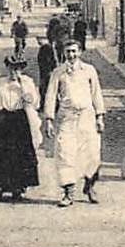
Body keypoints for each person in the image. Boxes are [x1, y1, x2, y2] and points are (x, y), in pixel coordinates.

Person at [43, 41, 105, 207]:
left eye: (74, 51)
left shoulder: (89, 71)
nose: (71, 55)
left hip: (87, 116)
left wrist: (100, 116)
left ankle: (90, 187)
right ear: (63, 53)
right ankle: (68, 193)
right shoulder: (58, 73)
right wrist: (49, 120)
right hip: (67, 117)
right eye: (68, 52)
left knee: (91, 152)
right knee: (65, 152)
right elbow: (50, 96)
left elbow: (96, 93)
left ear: (80, 52)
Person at [0, 51, 41, 202]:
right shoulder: (2, 82)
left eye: (17, 68)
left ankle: (17, 188)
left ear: (21, 69)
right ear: (7, 68)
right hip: (4, 118)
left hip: (19, 118)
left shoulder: (27, 82)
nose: (14, 71)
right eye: (11, 68)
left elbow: (32, 101)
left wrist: (22, 85)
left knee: (19, 153)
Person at [36, 36, 60, 108]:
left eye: (40, 40)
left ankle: (50, 105)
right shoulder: (45, 48)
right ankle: (52, 105)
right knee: (46, 89)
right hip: (45, 72)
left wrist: (52, 71)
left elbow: (53, 61)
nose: (39, 42)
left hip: (48, 72)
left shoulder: (46, 48)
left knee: (46, 89)